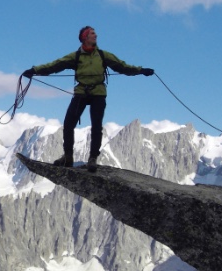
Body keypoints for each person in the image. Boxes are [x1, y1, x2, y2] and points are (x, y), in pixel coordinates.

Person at [23, 26, 154, 172]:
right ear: (85, 37)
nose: (96, 35)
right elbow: (55, 65)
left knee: (96, 126)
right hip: (82, 93)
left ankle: (92, 158)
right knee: (69, 124)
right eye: (92, 33)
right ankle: (68, 156)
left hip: (97, 93)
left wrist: (141, 71)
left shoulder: (103, 55)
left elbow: (123, 67)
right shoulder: (76, 56)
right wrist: (35, 71)